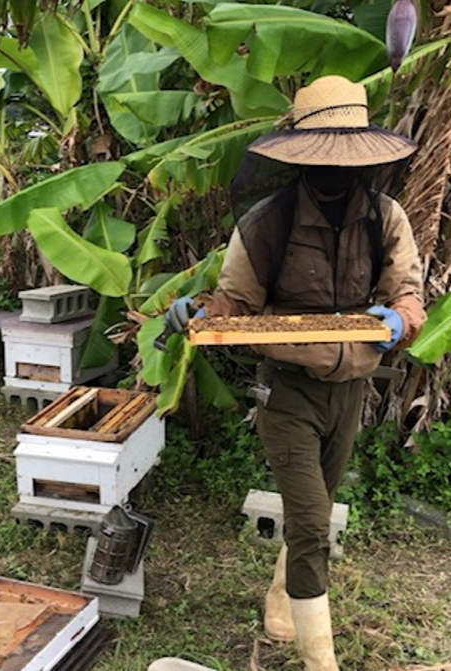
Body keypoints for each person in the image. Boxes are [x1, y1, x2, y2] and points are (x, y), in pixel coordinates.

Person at [164, 75, 426, 671]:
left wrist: (399, 319)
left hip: (351, 389)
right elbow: (235, 300)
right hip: (288, 393)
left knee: (319, 504)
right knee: (312, 523)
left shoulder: (385, 219)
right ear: (302, 160)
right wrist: (198, 313)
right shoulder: (266, 223)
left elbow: (408, 293)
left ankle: (283, 597)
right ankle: (321, 663)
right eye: (322, 158)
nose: (334, 170)